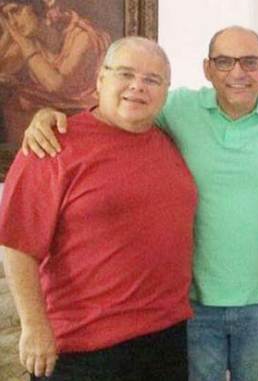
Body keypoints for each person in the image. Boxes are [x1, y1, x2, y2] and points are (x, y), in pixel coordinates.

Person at [21, 25, 258, 381]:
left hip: (249, 308)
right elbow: (117, 110)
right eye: (224, 61)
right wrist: (47, 115)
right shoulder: (176, 109)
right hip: (191, 307)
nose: (238, 72)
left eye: (250, 62)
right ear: (207, 68)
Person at [0, 36, 197, 380]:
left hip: (166, 340)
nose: (137, 86)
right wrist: (33, 326)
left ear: (166, 91)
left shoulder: (172, 139)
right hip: (82, 350)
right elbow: (17, 244)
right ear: (100, 78)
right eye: (125, 73)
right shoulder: (52, 145)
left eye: (152, 79)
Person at [0, 0, 110, 146]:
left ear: (36, 4)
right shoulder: (30, 39)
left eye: (16, 11)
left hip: (84, 119)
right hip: (47, 118)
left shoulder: (82, 37)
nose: (13, 22)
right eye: (7, 17)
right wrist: (9, 33)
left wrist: (20, 40)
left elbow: (56, 84)